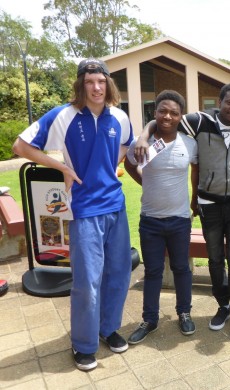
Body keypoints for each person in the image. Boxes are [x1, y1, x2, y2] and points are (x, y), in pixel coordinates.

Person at [12, 58, 134, 371]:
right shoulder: (63, 116)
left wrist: (110, 166)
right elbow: (21, 146)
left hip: (116, 207)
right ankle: (83, 345)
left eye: (101, 82)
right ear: (81, 84)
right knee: (87, 282)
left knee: (118, 273)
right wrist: (62, 167)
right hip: (85, 210)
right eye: (90, 81)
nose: (96, 87)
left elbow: (126, 146)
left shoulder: (119, 116)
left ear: (108, 85)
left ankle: (108, 329)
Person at [134, 83, 230, 342]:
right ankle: (223, 306)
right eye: (229, 102)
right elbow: (164, 120)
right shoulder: (198, 121)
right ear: (219, 103)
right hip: (208, 205)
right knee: (214, 260)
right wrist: (144, 135)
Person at [124, 90, 198, 344]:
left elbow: (196, 169)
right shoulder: (142, 143)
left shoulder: (189, 143)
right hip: (150, 221)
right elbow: (129, 164)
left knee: (181, 269)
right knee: (153, 271)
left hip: (179, 220)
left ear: (180, 116)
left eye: (174, 112)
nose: (168, 116)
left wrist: (195, 199)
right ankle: (150, 319)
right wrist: (144, 182)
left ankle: (184, 313)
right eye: (163, 111)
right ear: (154, 113)